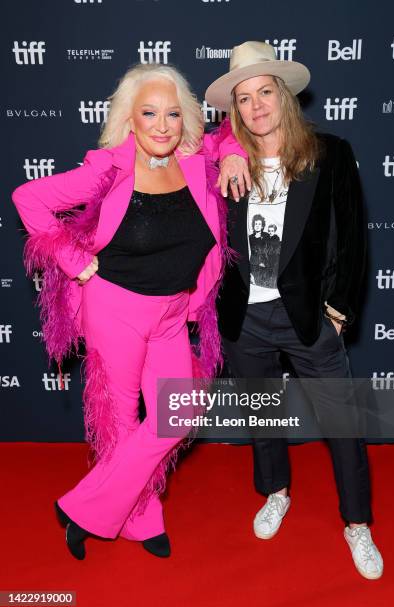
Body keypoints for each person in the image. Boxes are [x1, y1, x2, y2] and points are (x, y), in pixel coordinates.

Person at [12, 63, 248, 560]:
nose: (162, 125)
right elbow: (26, 197)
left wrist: (230, 153)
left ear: (185, 119)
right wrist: (74, 262)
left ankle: (82, 507)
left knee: (175, 415)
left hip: (171, 314)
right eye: (149, 113)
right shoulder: (108, 168)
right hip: (113, 308)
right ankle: (142, 519)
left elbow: (230, 135)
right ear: (130, 120)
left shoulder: (196, 162)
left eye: (172, 114)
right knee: (119, 424)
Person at [206, 41, 383, 579]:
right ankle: (276, 491)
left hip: (308, 317)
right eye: (244, 98)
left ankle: (357, 524)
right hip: (245, 320)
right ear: (234, 110)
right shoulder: (223, 162)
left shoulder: (329, 153)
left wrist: (340, 309)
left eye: (265, 92)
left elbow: (352, 239)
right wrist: (225, 147)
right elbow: (169, 143)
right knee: (263, 418)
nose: (256, 106)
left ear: (284, 96)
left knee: (344, 424)